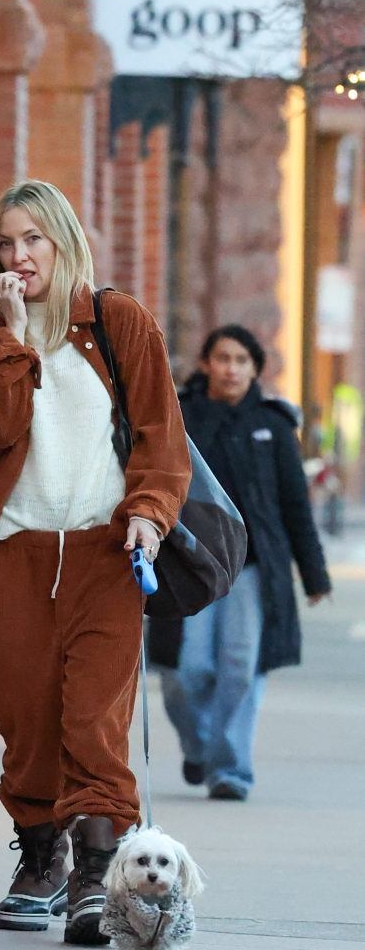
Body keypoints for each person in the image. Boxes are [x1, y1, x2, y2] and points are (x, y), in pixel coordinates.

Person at [0, 180, 191, 944]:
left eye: (33, 240)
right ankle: (40, 859)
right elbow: (0, 421)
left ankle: (96, 872)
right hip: (16, 552)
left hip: (104, 549)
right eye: (5, 243)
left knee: (92, 715)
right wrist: (14, 335)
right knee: (24, 718)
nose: (18, 256)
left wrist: (149, 517)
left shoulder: (117, 322)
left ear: (62, 241)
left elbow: (160, 437)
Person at [150, 325, 332, 801]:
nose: (231, 368)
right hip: (190, 565)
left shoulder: (272, 424)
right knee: (185, 671)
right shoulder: (180, 416)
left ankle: (231, 770)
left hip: (252, 569)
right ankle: (202, 748)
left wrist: (314, 575)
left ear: (254, 368)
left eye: (241, 360)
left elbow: (295, 506)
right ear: (207, 363)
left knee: (241, 666)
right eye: (222, 358)